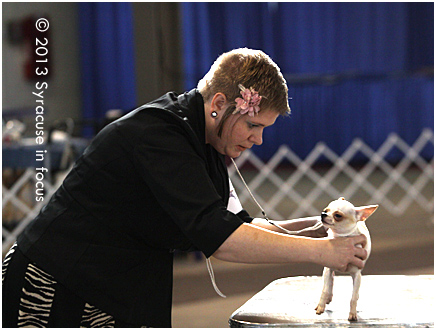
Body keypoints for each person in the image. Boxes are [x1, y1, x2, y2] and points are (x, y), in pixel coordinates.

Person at [2, 48, 367, 328]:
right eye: (253, 126)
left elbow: (238, 225)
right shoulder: (158, 135)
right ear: (220, 105)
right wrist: (322, 253)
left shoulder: (205, 143)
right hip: (55, 286)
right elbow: (222, 240)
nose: (258, 140)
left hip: (112, 288)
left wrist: (320, 226)